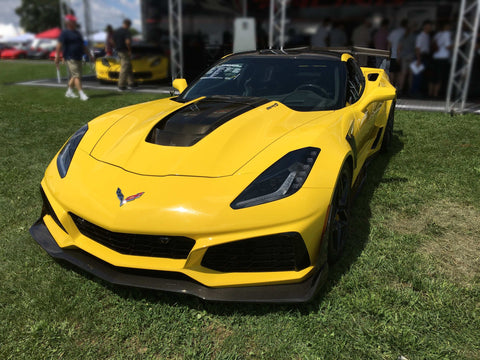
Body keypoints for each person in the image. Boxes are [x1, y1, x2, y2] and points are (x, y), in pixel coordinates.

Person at [55, 14, 92, 101]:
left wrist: (89, 54)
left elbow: (83, 45)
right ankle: (81, 94)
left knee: (75, 76)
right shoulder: (64, 33)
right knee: (77, 76)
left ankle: (69, 92)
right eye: (73, 21)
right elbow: (59, 45)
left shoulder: (77, 33)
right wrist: (57, 57)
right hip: (70, 57)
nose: (75, 22)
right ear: (68, 22)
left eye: (75, 21)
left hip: (78, 56)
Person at [113, 18, 135, 91]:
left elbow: (112, 40)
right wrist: (129, 50)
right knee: (125, 67)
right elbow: (128, 42)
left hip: (118, 50)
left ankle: (131, 82)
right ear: (128, 25)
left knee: (129, 66)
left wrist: (116, 46)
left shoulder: (117, 31)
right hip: (124, 50)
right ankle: (121, 85)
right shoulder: (126, 31)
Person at [431, 22, 452, 98]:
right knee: (439, 77)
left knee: (433, 76)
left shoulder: (438, 34)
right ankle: (436, 94)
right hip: (443, 57)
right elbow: (448, 46)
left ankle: (431, 93)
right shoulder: (446, 34)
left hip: (435, 56)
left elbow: (433, 42)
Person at [414, 20, 433, 97]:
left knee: (422, 75)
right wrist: (418, 59)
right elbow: (417, 48)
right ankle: (414, 91)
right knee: (417, 75)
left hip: (425, 56)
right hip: (421, 56)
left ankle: (418, 90)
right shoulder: (421, 36)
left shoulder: (427, 36)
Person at [388, 19, 408, 89]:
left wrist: (388, 53)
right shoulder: (406, 32)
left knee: (392, 72)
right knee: (400, 73)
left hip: (393, 54)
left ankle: (391, 85)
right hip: (403, 56)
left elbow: (389, 44)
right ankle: (399, 87)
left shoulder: (394, 32)